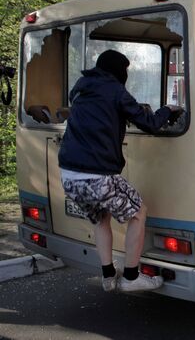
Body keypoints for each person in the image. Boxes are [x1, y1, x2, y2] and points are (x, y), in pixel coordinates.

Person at [58, 50, 183, 293]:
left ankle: (107, 275)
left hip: (69, 176)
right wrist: (167, 109)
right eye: (125, 70)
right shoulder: (115, 91)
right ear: (118, 71)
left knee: (101, 218)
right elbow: (150, 123)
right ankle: (132, 277)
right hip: (97, 176)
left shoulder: (82, 89)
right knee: (138, 213)